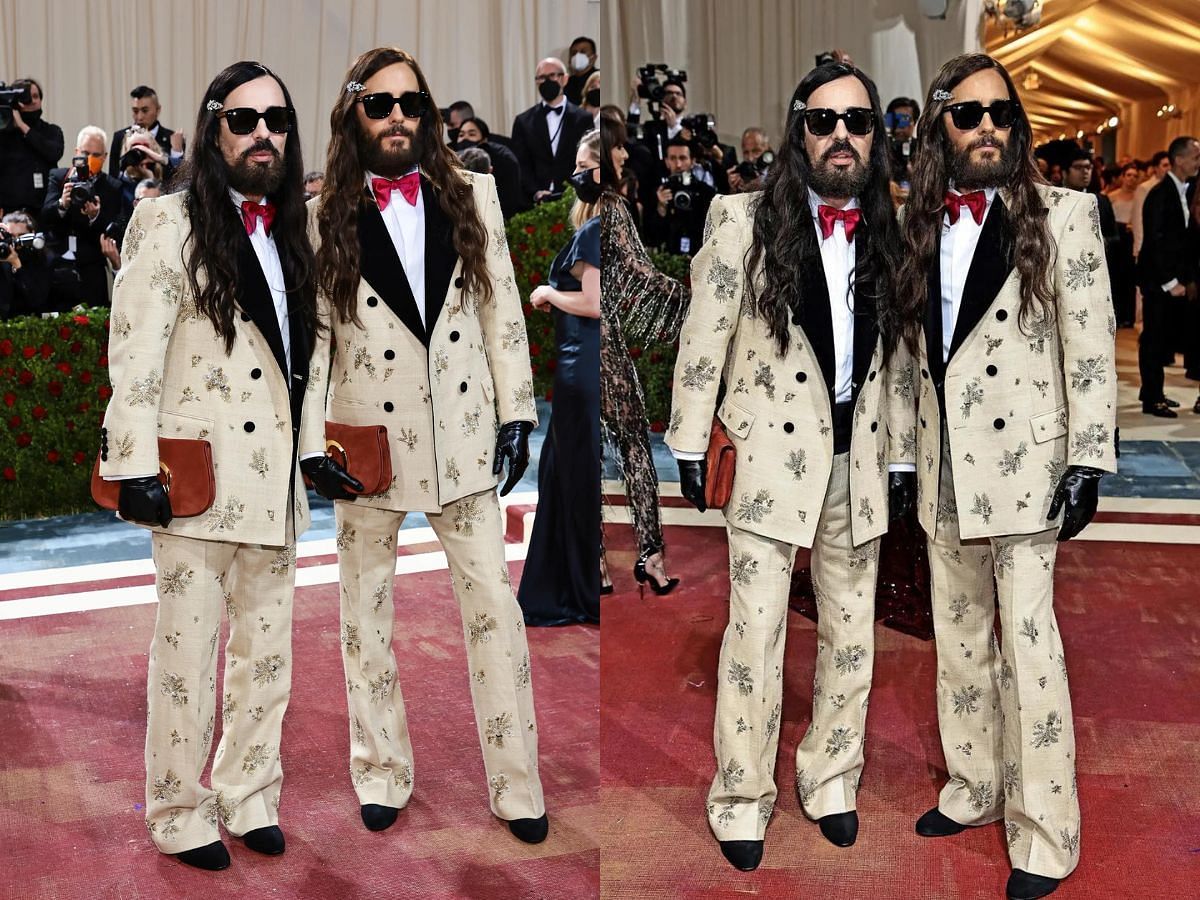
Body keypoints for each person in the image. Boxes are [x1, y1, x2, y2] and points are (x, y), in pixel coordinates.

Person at [99, 59, 356, 872]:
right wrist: (131, 460)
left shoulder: (295, 230)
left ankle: (249, 793)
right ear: (213, 131)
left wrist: (313, 451)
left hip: (273, 483)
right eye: (243, 120)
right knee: (186, 652)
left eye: (276, 121)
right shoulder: (167, 222)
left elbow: (306, 361)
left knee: (267, 653)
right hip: (193, 482)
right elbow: (132, 353)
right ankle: (177, 808)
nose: (262, 135)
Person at [667, 61, 914, 872]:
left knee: (850, 631)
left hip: (862, 455)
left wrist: (904, 455)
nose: (840, 136)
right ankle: (741, 793)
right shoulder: (740, 219)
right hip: (769, 452)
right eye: (822, 120)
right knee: (756, 630)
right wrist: (688, 442)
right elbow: (702, 341)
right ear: (797, 130)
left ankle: (832, 776)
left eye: (857, 121)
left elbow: (904, 360)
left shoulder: (893, 226)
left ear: (876, 137)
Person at [894, 53, 1117, 900]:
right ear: (939, 128)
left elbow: (1091, 346)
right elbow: (914, 359)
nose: (987, 126)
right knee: (957, 643)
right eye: (967, 113)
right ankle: (975, 786)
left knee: (1029, 652)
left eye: (1002, 113)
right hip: (946, 466)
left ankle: (1046, 831)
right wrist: (903, 460)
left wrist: (1090, 455)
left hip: (1027, 467)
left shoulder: (1066, 214)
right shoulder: (918, 219)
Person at [312, 46, 548, 844]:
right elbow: (313, 341)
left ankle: (518, 786)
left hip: (463, 437)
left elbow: (501, 310)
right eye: (380, 105)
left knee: (494, 614)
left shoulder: (472, 193)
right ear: (355, 114)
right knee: (364, 617)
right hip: (365, 444)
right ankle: (381, 771)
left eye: (411, 104)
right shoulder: (323, 213)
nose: (399, 119)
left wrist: (517, 410)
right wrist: (314, 441)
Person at [517, 131, 602, 625]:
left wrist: (549, 293)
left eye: (583, 166)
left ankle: (576, 591)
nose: (575, 175)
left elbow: (591, 304)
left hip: (581, 366)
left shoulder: (593, 232)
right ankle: (576, 585)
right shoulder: (594, 229)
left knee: (572, 476)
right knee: (569, 474)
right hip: (577, 367)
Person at [599, 107, 682, 596]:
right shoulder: (611, 206)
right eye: (618, 146)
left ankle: (598, 567)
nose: (625, 153)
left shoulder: (581, 203)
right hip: (605, 345)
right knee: (634, 448)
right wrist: (692, 300)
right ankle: (650, 555)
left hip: (579, 338)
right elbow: (641, 274)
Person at [1138, 135, 1200, 417]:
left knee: (1165, 338)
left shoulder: (1188, 191)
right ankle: (1152, 398)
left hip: (1177, 280)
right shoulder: (1160, 194)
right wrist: (1170, 281)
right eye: (1195, 157)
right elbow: (1155, 241)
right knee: (1153, 339)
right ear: (1179, 159)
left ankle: (1155, 391)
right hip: (1158, 281)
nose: (1198, 162)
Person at [40, 126, 131, 306]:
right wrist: (62, 204)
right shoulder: (59, 177)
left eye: (96, 155)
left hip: (91, 265)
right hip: (58, 263)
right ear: (76, 152)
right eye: (85, 153)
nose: (90, 160)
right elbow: (45, 216)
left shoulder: (112, 187)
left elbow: (115, 229)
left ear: (105, 157)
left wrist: (95, 216)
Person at [510, 57, 594, 204]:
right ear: (536, 82)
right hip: (535, 202)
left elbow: (588, 158)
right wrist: (536, 191)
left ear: (565, 79)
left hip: (575, 198)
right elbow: (520, 163)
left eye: (552, 75)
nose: (547, 81)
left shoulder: (583, 118)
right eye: (542, 78)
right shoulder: (523, 121)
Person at [0, 77, 64, 216]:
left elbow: (53, 153)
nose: (33, 101)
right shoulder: (4, 134)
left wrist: (23, 127)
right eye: (27, 97)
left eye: (36, 96)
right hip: (8, 211)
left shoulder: (51, 131)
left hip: (42, 209)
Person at [642, 137, 715, 256]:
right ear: (666, 161)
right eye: (673, 158)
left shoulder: (707, 193)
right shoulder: (658, 193)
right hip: (668, 260)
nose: (678, 164)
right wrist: (661, 208)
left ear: (692, 161)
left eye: (683, 158)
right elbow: (650, 237)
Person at [455, 116, 527, 218]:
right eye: (461, 135)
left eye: (472, 134)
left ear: (484, 140)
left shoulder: (503, 158)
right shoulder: (453, 159)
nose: (465, 138)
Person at [109, 85, 184, 178]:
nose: (139, 117)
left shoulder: (172, 139)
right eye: (135, 111)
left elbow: (179, 179)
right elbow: (113, 177)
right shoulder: (120, 137)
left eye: (145, 111)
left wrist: (176, 154)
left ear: (158, 110)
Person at [1105, 162, 1139, 327]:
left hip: (1131, 237)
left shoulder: (1139, 196)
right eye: (1128, 175)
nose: (1131, 179)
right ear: (1122, 177)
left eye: (1135, 176)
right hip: (1116, 240)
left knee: (1129, 278)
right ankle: (1116, 314)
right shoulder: (1112, 196)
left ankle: (1129, 316)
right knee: (1115, 277)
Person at [0, 210, 50, 317]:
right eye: (12, 237)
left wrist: (17, 265)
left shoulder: (41, 260)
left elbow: (36, 299)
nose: (16, 242)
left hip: (28, 321)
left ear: (32, 235)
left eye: (22, 237)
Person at [885, 96, 920, 206]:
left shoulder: (924, 148)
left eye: (905, 119)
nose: (900, 126)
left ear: (914, 122)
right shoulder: (881, 148)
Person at [564, 36, 599, 106]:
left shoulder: (599, 78)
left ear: (594, 58)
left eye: (583, 52)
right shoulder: (566, 83)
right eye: (574, 53)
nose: (577, 56)